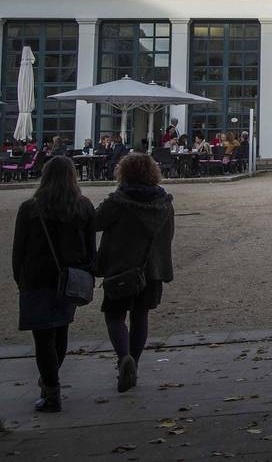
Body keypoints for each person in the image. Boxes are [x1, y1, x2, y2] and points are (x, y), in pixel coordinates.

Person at [12, 156, 96, 413]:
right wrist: (87, 274)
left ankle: (51, 389)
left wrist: (20, 279)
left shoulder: (30, 208)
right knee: (60, 333)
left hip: (37, 276)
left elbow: (19, 250)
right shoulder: (83, 207)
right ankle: (50, 382)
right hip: (69, 276)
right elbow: (91, 249)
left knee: (43, 338)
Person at [94, 151, 175, 394]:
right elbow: (167, 236)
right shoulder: (164, 203)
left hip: (122, 269)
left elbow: (95, 223)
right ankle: (135, 364)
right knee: (140, 317)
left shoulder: (118, 202)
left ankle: (124, 358)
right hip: (152, 270)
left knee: (114, 316)